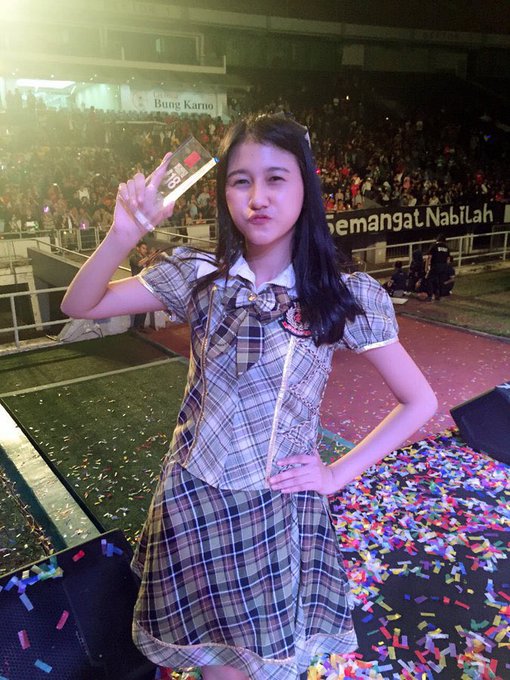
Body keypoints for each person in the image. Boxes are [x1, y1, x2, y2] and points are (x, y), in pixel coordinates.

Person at [61, 114, 437, 680]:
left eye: (276, 178)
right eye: (241, 181)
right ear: (223, 192)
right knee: (214, 665)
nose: (258, 197)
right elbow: (80, 305)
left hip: (274, 511)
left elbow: (419, 401)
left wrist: (336, 473)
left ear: (306, 185)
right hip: (191, 502)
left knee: (252, 667)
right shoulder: (199, 276)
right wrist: (123, 234)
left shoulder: (338, 294)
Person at [129, 240, 149, 331]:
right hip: (137, 284)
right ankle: (136, 327)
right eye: (143, 248)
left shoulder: (144, 257)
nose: (145, 250)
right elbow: (139, 263)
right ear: (138, 248)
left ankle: (141, 326)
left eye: (146, 249)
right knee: (140, 306)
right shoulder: (133, 257)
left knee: (145, 306)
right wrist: (150, 257)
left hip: (144, 283)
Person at [425, 233, 451, 301]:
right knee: (439, 280)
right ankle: (438, 295)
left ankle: (430, 296)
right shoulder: (447, 248)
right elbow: (448, 259)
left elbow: (429, 257)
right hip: (443, 266)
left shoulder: (434, 246)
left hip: (436, 265)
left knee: (429, 280)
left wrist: (427, 267)